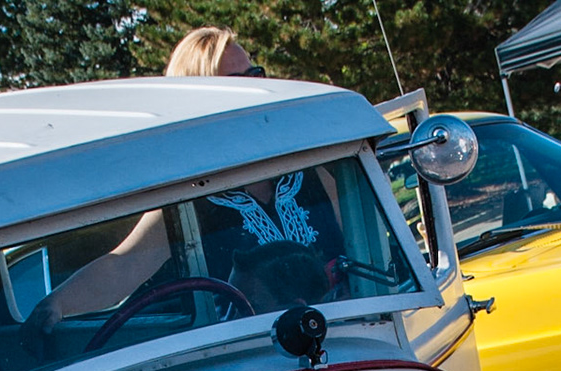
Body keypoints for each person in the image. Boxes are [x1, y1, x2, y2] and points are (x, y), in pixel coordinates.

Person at [24, 28, 340, 341]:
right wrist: (57, 304)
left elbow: (362, 249)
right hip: (251, 352)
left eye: (255, 76)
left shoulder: (309, 171)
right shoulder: (190, 197)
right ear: (197, 100)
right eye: (237, 83)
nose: (254, 90)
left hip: (345, 336)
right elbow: (125, 266)